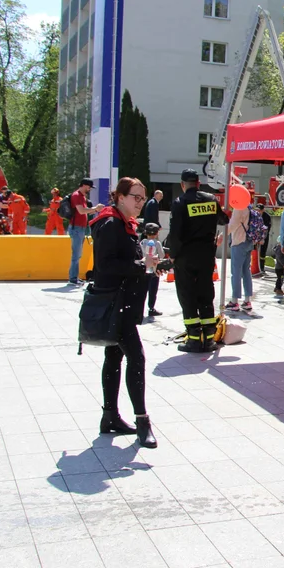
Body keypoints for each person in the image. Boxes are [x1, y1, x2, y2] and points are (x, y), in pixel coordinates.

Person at [89, 177, 161, 448]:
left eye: (142, 198)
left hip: (122, 303)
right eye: (135, 197)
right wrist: (141, 264)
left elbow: (121, 262)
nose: (140, 203)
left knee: (114, 356)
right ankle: (142, 421)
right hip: (116, 304)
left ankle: (109, 417)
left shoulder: (123, 223)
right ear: (120, 197)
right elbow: (106, 266)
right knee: (137, 358)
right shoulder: (111, 224)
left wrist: (144, 265)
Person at [169, 169, 226, 353]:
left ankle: (194, 339)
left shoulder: (180, 203)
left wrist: (172, 255)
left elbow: (176, 234)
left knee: (187, 295)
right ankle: (209, 339)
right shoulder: (211, 199)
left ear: (182, 184)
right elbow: (223, 219)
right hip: (206, 255)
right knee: (205, 293)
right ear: (199, 183)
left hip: (186, 256)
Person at [70, 179, 103, 285]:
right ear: (84, 185)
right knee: (76, 254)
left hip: (80, 228)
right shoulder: (76, 196)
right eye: (89, 187)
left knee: (78, 254)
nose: (89, 189)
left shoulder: (82, 196)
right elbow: (81, 211)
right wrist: (96, 209)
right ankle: (73, 278)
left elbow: (84, 211)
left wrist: (94, 210)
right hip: (76, 228)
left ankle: (74, 277)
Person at [225, 203, 255, 312]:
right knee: (246, 271)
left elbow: (232, 225)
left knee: (236, 272)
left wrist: (221, 235)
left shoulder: (239, 208)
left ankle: (234, 301)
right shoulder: (248, 207)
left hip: (238, 242)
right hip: (248, 242)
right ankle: (247, 300)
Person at [141, 222, 163, 318]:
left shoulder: (142, 242)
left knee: (142, 291)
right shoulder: (157, 243)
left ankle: (139, 310)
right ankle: (151, 308)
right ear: (157, 233)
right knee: (153, 290)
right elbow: (161, 255)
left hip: (143, 269)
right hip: (153, 270)